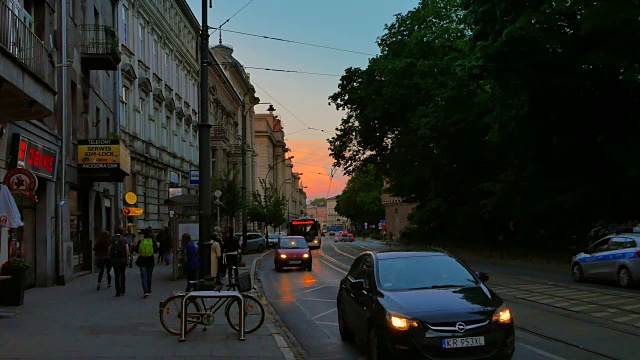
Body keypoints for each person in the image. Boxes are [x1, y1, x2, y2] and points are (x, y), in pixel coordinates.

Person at [136, 227, 157, 298]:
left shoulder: (140, 241)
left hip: (142, 260)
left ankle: (145, 291)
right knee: (149, 276)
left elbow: (136, 250)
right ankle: (149, 290)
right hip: (150, 260)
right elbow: (156, 250)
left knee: (143, 277)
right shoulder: (152, 242)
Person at [110, 228, 130, 297]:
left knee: (116, 275)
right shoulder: (124, 239)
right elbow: (127, 249)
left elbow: (109, 249)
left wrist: (111, 257)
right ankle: (123, 290)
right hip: (123, 259)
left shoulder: (112, 239)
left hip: (115, 260)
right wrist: (127, 259)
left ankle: (117, 291)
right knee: (123, 274)